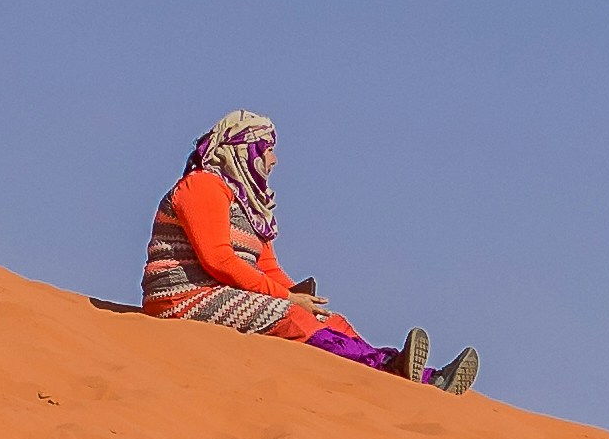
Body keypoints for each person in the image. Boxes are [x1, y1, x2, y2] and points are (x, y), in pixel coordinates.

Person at [141, 108, 478, 393]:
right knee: (291, 317)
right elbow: (219, 260)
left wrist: (300, 297)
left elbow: (268, 267)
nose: (274, 160)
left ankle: (418, 376)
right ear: (244, 150)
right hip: (182, 298)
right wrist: (287, 299)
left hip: (224, 292)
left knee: (331, 320)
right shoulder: (202, 185)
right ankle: (386, 370)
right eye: (267, 149)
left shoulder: (250, 205)